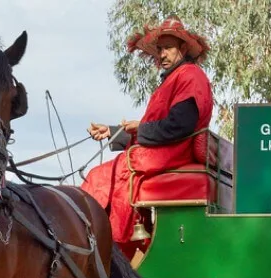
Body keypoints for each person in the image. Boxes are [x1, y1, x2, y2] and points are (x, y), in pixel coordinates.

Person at [80, 16, 214, 260]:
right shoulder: (176, 78)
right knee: (110, 169)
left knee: (101, 175)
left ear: (183, 49)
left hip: (174, 151)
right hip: (164, 149)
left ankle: (103, 246)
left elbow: (178, 126)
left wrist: (139, 128)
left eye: (168, 48)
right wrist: (112, 131)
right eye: (160, 49)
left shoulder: (189, 76)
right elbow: (154, 129)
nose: (162, 54)